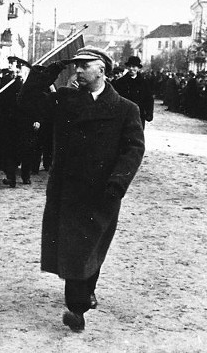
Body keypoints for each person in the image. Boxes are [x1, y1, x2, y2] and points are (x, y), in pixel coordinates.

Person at [18, 46, 145, 332]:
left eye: (84, 65)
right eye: (75, 66)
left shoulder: (126, 109)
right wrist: (47, 71)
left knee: (92, 247)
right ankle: (77, 308)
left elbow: (134, 149)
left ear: (102, 69)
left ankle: (85, 291)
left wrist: (118, 182)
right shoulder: (65, 100)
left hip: (104, 191)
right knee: (77, 248)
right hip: (69, 189)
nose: (77, 70)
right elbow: (27, 103)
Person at [112, 56, 154, 129]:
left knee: (138, 136)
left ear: (138, 68)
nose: (131, 69)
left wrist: (149, 113)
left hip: (139, 115)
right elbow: (115, 99)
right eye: (129, 66)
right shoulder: (120, 82)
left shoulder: (144, 83)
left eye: (134, 66)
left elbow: (149, 99)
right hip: (124, 115)